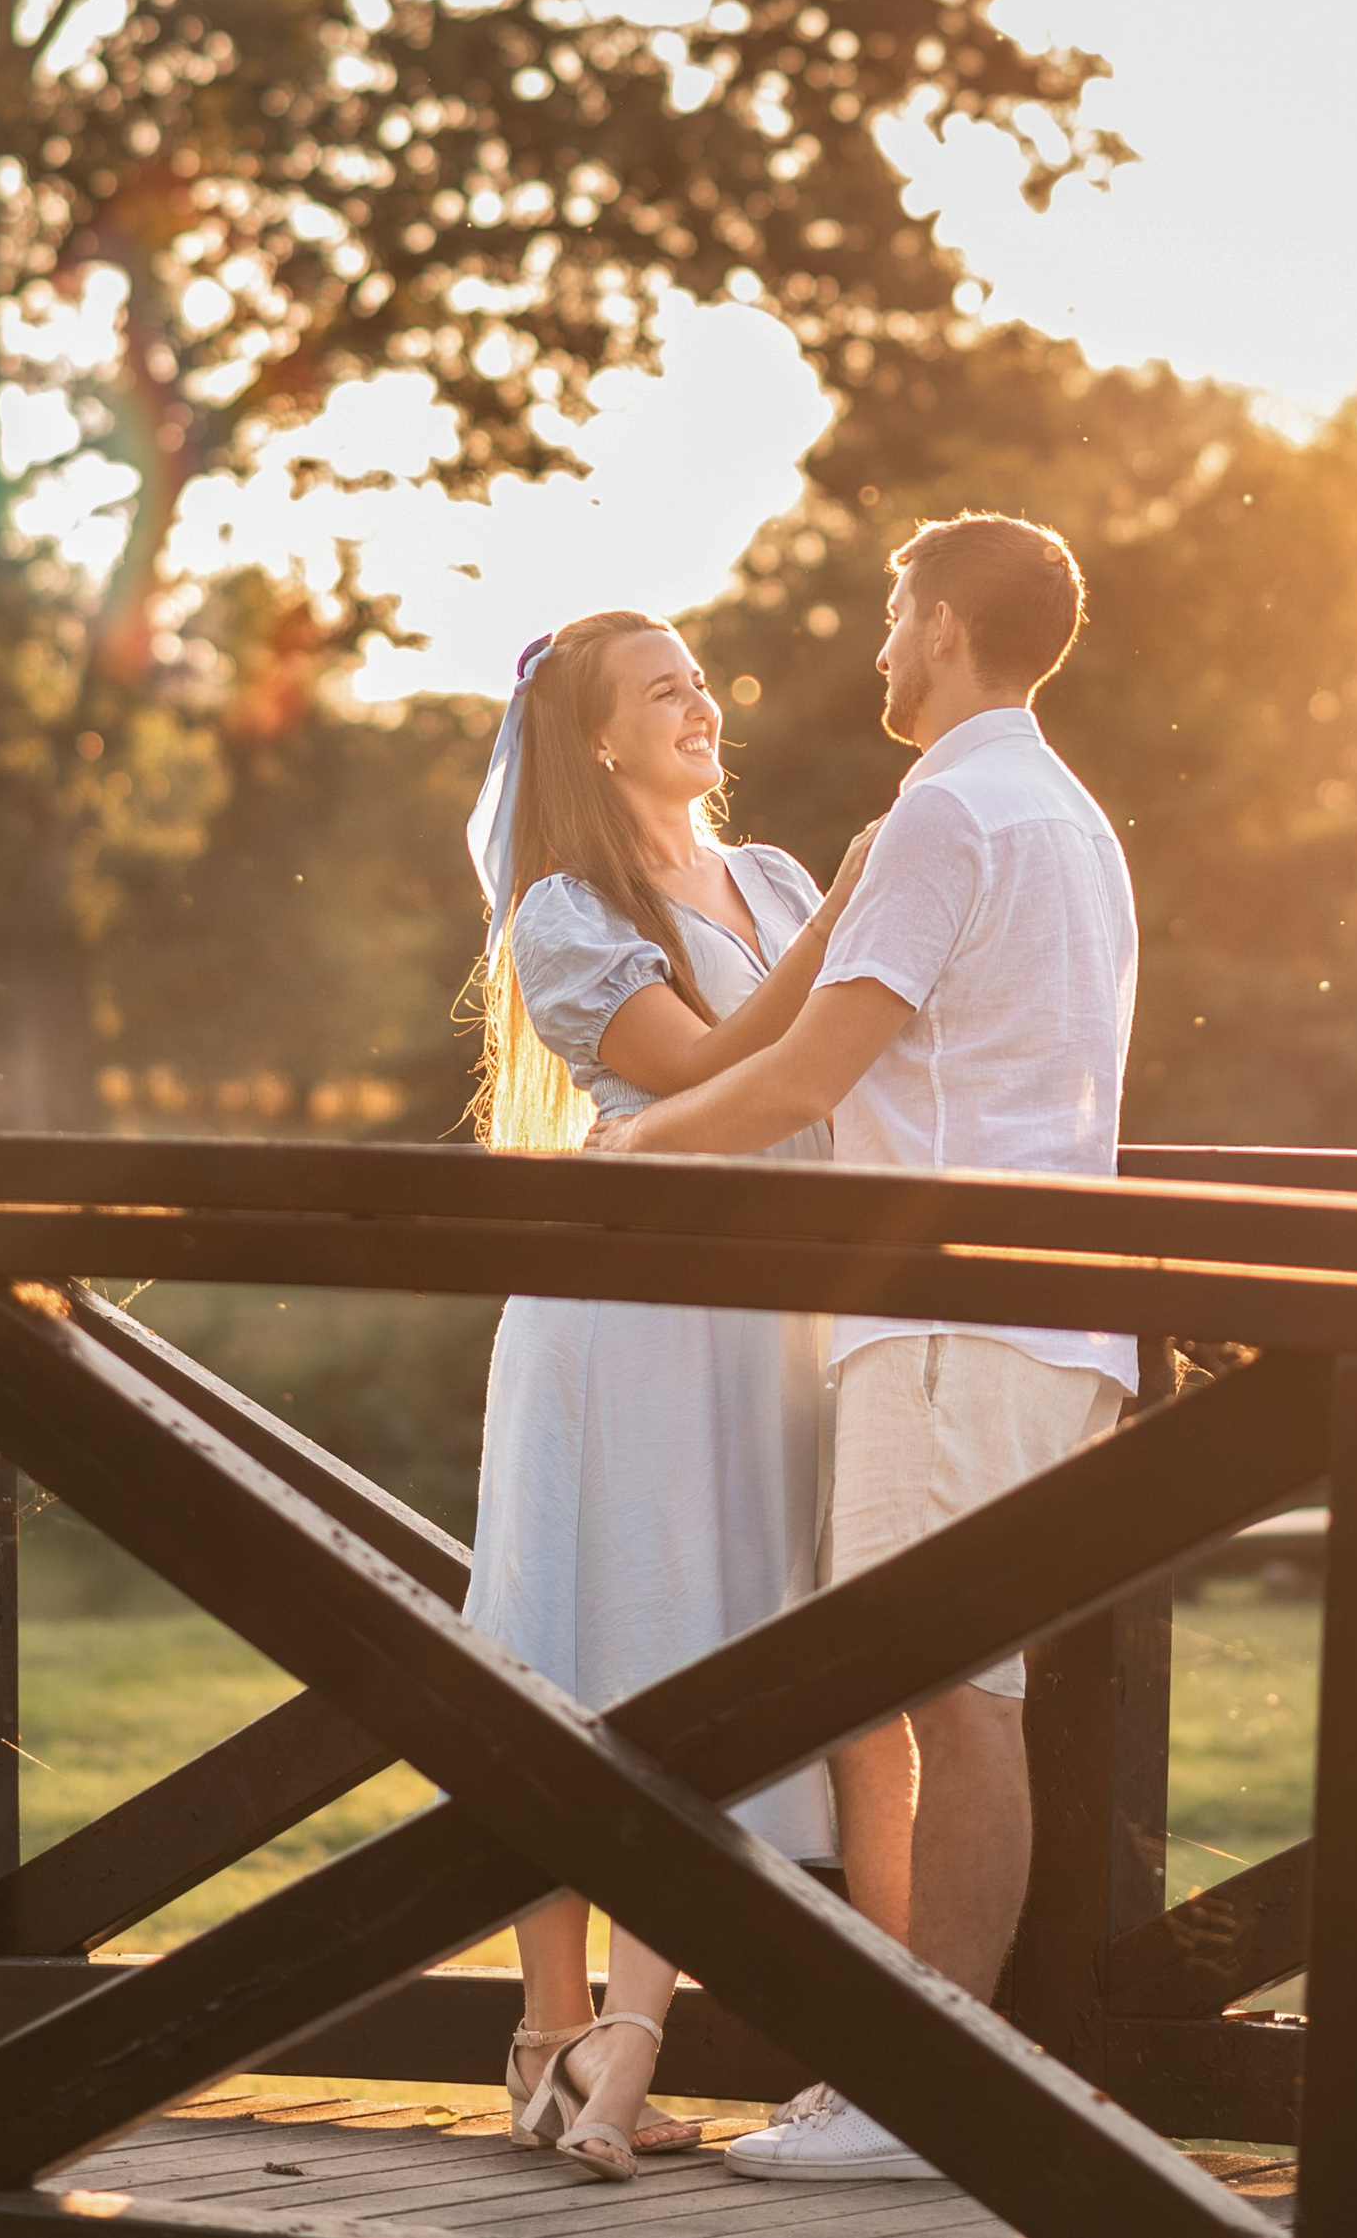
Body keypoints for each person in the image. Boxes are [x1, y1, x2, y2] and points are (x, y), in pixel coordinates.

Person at [590, 512, 1137, 2187]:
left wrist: (625, 1153)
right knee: (968, 1696)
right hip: (1058, 1324)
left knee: (954, 1704)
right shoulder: (1073, 815)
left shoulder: (946, 809)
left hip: (954, 1320)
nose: (879, 646)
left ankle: (922, 2093)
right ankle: (932, 2071)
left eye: (897, 615)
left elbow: (807, 1078)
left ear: (951, 624)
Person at [460, 607, 873, 2183]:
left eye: (700, 679)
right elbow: (706, 1073)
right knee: (581, 1632)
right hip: (624, 1319)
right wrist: (841, 937)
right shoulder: (566, 913)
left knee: (721, 1638)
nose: (699, 703)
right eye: (661, 689)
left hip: (759, 1323)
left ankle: (615, 2034)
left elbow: (838, 1079)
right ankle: (558, 2030)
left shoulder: (767, 881)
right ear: (597, 738)